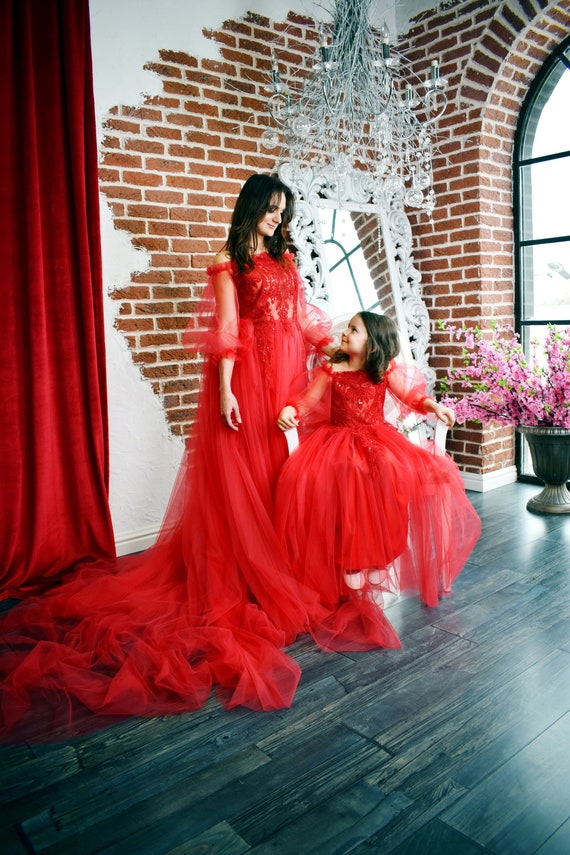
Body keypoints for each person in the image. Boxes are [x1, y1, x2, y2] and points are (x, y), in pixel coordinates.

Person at [0, 174, 333, 741]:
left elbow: (299, 318)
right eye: (271, 208)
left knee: (278, 475)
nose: (278, 218)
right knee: (244, 478)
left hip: (284, 377)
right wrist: (226, 388)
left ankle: (271, 572)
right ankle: (244, 579)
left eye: (284, 210)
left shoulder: (285, 258)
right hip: (249, 377)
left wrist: (331, 344)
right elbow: (228, 329)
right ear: (252, 207)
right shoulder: (230, 260)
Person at [275, 311, 481, 652]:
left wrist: (433, 405)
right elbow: (308, 400)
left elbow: (410, 396)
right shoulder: (332, 369)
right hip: (338, 441)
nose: (345, 333)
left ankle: (379, 557)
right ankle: (354, 560)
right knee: (350, 478)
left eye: (354, 330)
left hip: (378, 439)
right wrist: (291, 410)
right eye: (348, 328)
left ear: (373, 346)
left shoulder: (383, 371)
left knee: (389, 476)